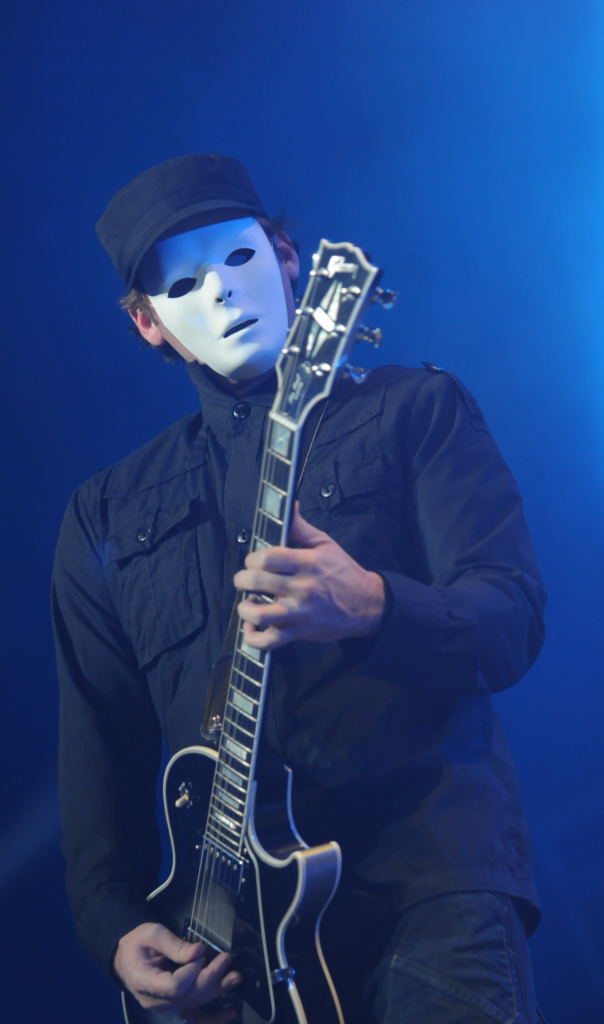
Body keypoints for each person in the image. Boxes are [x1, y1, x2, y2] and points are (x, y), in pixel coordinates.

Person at [53, 153, 547, 1023]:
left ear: (288, 257)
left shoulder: (413, 409)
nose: (219, 291)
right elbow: (99, 743)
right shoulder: (106, 513)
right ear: (148, 325)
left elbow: (511, 619)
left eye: (238, 256)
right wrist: (116, 927)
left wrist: (376, 607)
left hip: (424, 888)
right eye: (182, 285)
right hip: (231, 949)